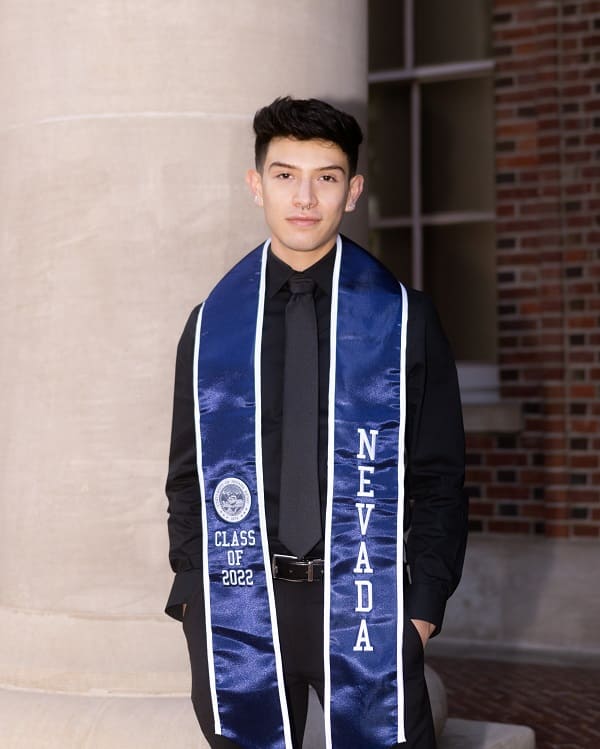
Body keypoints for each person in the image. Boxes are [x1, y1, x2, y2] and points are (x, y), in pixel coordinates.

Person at [165, 97, 467, 749]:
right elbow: (186, 479)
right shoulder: (212, 325)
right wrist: (193, 594)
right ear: (256, 185)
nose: (304, 197)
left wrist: (421, 612)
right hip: (241, 601)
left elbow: (440, 479)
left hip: (366, 601)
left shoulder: (406, 321)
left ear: (352, 191)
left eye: (326, 177)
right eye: (284, 174)